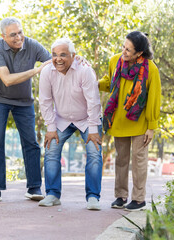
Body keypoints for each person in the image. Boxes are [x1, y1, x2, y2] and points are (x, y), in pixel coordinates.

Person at [0, 17, 52, 203]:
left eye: (20, 32)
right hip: (0, 99)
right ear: (3, 36)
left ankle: (34, 187)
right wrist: (36, 71)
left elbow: (53, 62)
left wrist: (74, 58)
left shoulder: (32, 45)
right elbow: (7, 79)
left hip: (24, 101)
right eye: (13, 34)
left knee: (31, 142)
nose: (18, 37)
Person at [38, 38, 103, 210]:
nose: (58, 59)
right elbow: (45, 101)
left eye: (63, 55)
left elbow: (93, 101)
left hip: (87, 119)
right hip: (62, 118)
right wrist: (51, 128)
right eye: (54, 55)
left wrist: (94, 129)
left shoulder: (85, 71)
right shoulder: (46, 72)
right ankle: (52, 194)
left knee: (94, 153)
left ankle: (93, 197)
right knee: (51, 150)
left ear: (73, 56)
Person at [99, 31, 161, 211]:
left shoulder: (151, 69)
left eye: (129, 50)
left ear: (139, 53)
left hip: (140, 121)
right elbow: (109, 82)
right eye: (123, 47)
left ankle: (139, 199)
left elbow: (154, 98)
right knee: (121, 159)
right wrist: (94, 83)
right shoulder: (115, 61)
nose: (124, 52)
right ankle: (121, 196)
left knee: (139, 160)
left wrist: (152, 127)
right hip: (119, 119)